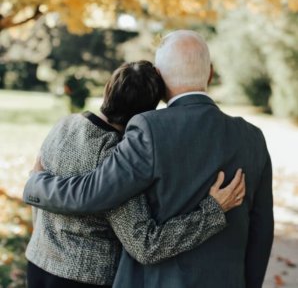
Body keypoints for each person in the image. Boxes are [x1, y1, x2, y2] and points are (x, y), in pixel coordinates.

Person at [23, 30, 273, 288]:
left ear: (162, 79)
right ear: (209, 73)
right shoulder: (253, 138)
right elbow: (261, 229)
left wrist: (35, 183)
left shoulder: (144, 130)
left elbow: (93, 193)